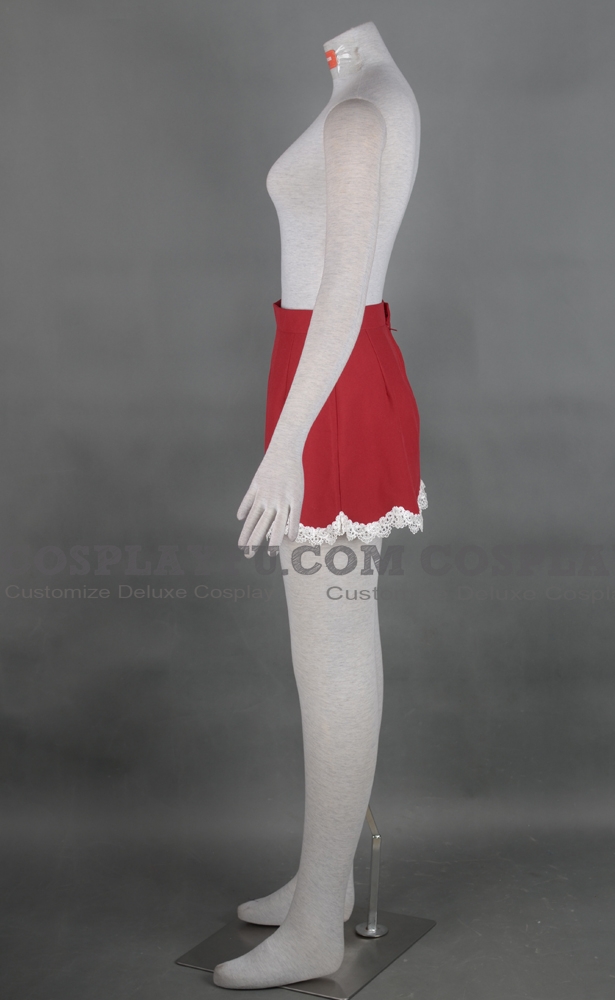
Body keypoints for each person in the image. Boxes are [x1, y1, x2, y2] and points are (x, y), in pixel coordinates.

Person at [214, 21, 425, 989]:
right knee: (329, 639)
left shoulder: (358, 116)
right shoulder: (374, 90)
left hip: (327, 386)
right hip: (328, 372)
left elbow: (340, 287)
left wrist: (284, 447)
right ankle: (324, 881)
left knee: (330, 643)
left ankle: (313, 929)